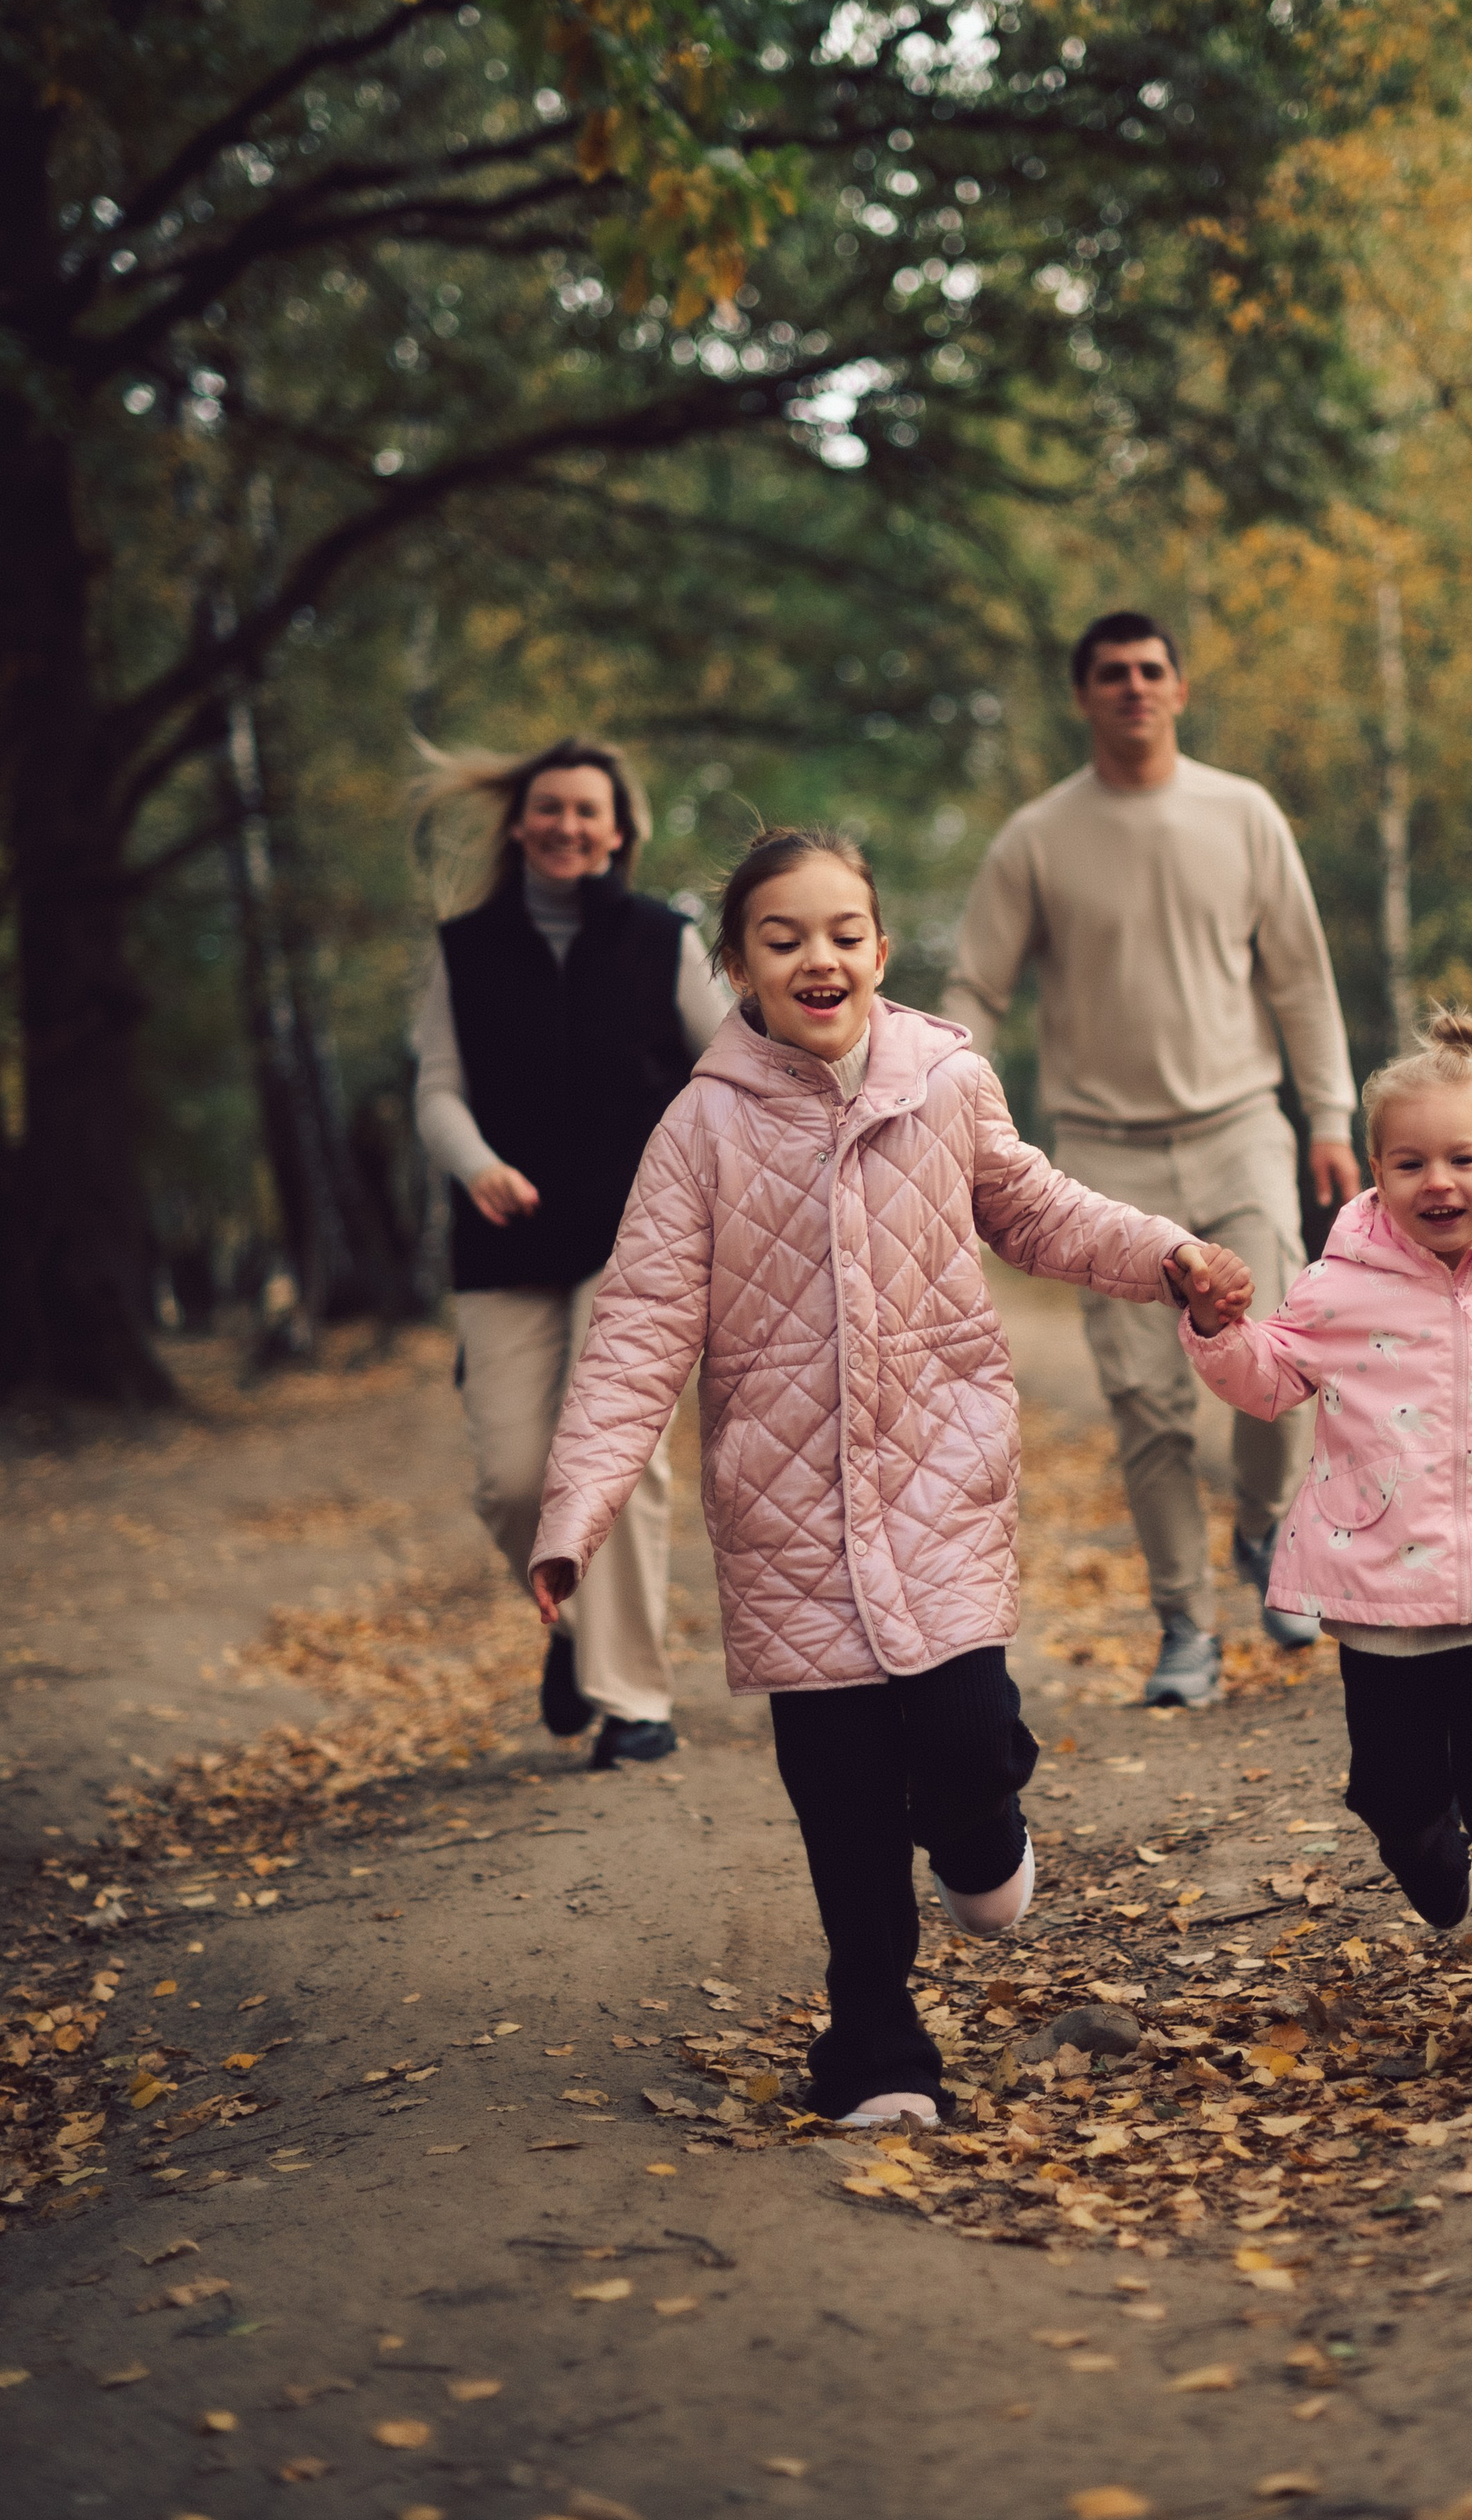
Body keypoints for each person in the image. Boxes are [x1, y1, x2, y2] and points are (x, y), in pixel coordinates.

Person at [526, 826, 1251, 2126]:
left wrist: (1169, 1256)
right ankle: (876, 2047)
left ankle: (981, 1835)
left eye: (843, 934)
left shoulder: (943, 1081)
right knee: (844, 1806)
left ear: (880, 946)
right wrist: (575, 1512)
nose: (819, 958)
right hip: (787, 1515)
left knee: (971, 1739)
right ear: (740, 966)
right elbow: (636, 1330)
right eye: (783, 938)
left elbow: (1038, 1208)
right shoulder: (697, 1130)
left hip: (939, 1482)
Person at [1176, 1008, 1472, 2071]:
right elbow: (1268, 1378)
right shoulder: (1339, 1289)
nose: (1439, 1182)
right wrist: (1212, 1328)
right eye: (1411, 1161)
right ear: (1375, 1172)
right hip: (1380, 1592)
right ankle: (1421, 1839)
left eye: (1463, 1159)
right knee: (1393, 1783)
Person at [941, 608, 1361, 1708]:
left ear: (1179, 688)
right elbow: (974, 990)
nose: (1133, 687)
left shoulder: (1244, 814)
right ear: (1083, 697)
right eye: (1111, 675)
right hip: (1102, 1157)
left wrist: (1326, 1116)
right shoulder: (1036, 837)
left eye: (1150, 670)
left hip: (1239, 1128)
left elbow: (1302, 980)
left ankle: (1270, 1539)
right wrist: (944, 1112)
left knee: (1282, 1364)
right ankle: (1185, 1626)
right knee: (1147, 1406)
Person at [412, 734, 727, 1768]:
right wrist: (476, 1165)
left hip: (638, 1235)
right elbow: (438, 1090)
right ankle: (583, 1632)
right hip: (501, 1234)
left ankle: (634, 1699)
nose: (566, 825)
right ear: (519, 823)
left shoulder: (662, 939)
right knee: (511, 1480)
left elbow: (725, 1070)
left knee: (618, 1464)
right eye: (549, 808)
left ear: (620, 831)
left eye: (588, 811)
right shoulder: (461, 949)